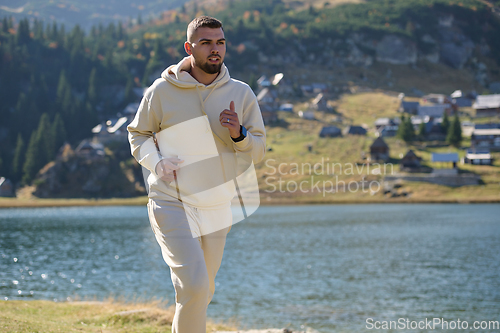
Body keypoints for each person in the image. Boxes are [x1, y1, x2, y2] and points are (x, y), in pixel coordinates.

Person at [127, 16, 266, 333]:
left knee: (201, 292)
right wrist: (157, 162)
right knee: (195, 286)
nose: (215, 49)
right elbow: (138, 134)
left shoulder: (242, 94)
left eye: (220, 42)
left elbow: (258, 150)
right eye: (206, 43)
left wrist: (238, 133)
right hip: (170, 201)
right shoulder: (162, 91)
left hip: (217, 207)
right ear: (189, 47)